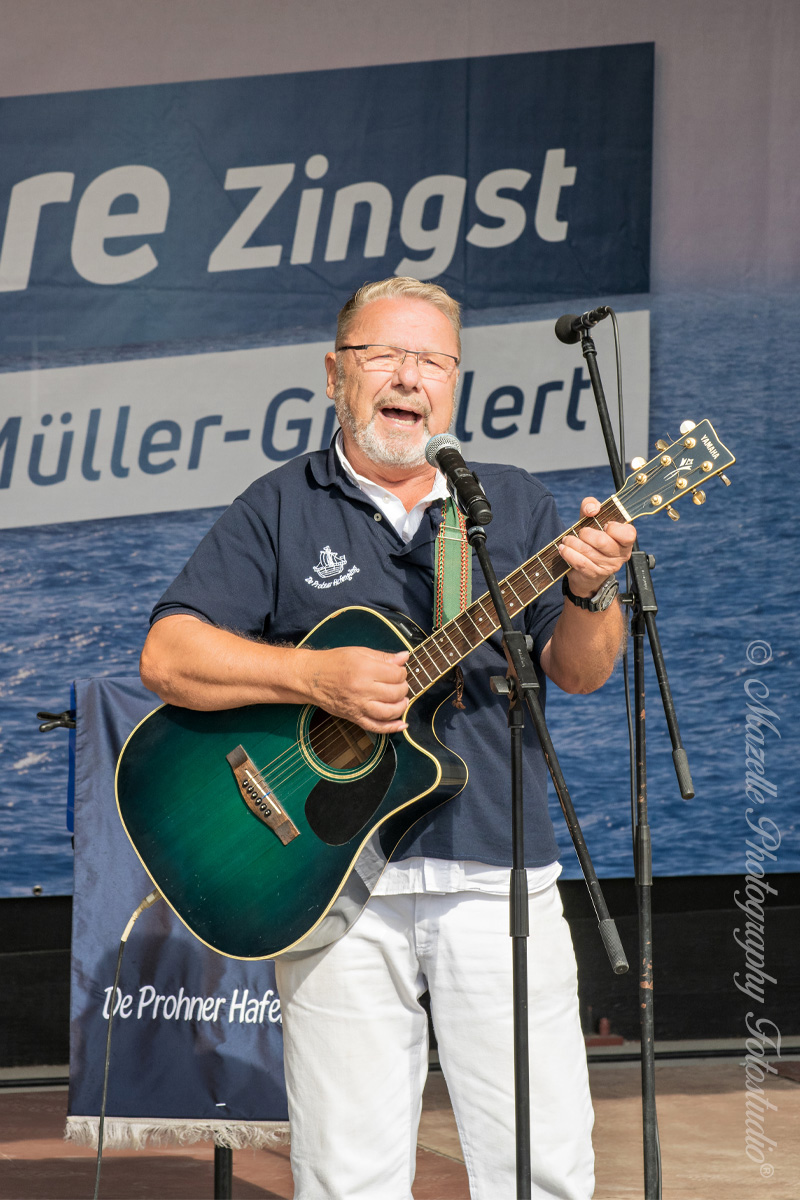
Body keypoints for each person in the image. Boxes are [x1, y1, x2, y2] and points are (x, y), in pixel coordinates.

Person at [140, 277, 636, 1200]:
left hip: (498, 873)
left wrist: (589, 589)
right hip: (329, 880)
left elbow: (583, 671)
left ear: (454, 384)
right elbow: (169, 656)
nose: (408, 378)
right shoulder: (282, 505)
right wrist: (310, 675)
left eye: (432, 362)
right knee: (346, 1174)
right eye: (383, 356)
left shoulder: (509, 508)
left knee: (544, 1165)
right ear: (336, 374)